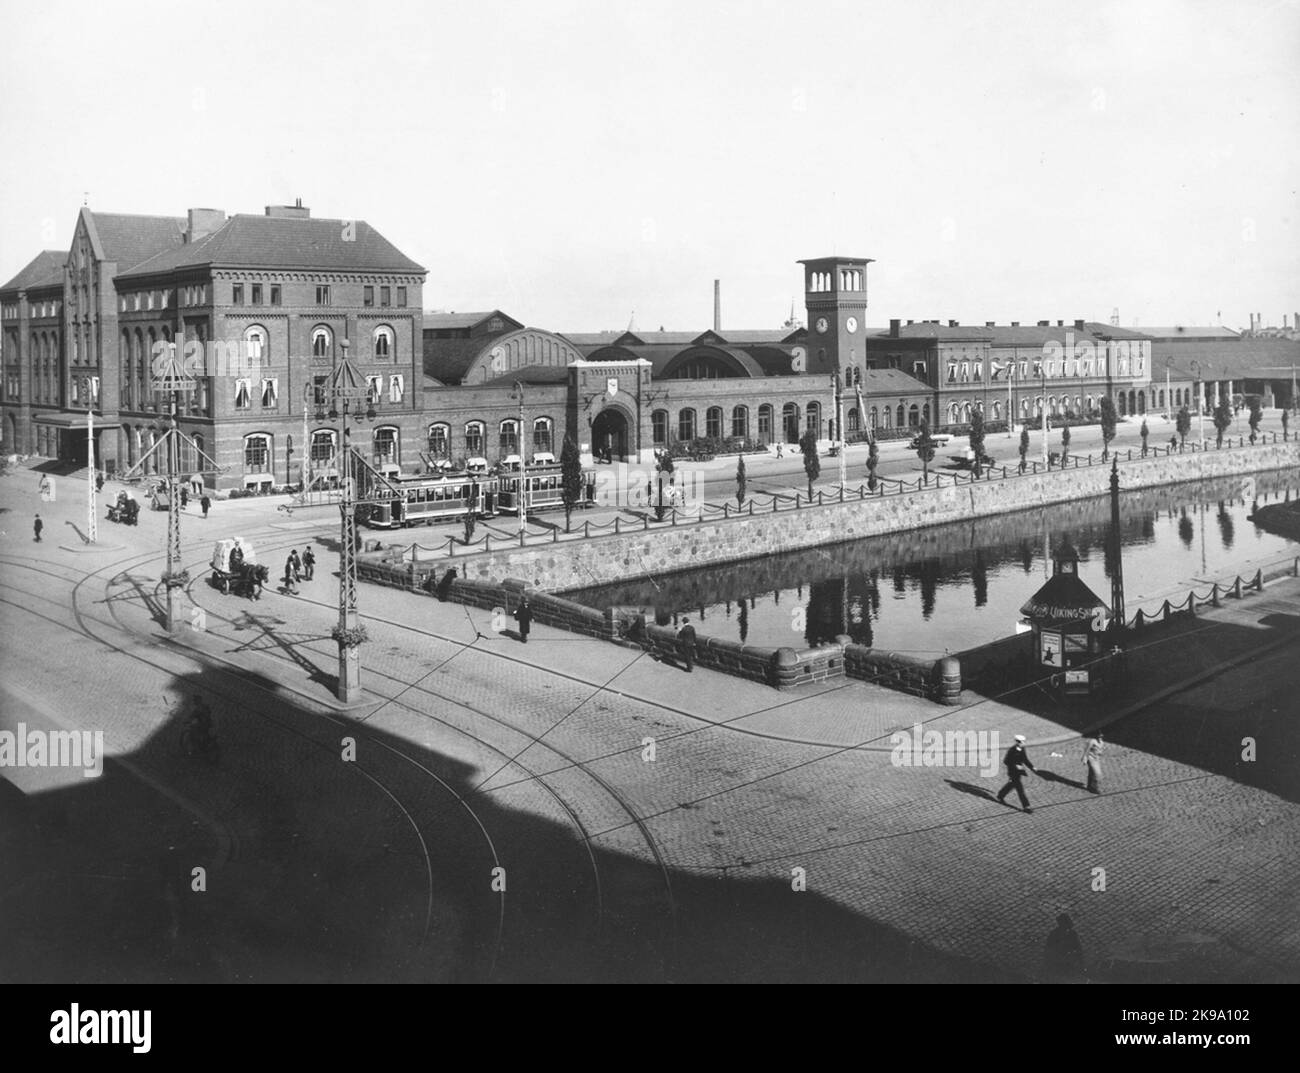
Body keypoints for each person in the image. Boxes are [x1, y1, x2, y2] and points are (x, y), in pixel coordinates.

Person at [996, 733, 1037, 812]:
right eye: (1022, 742)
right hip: (1013, 772)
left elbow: (1025, 759)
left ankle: (1000, 795)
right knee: (1020, 789)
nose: (1024, 743)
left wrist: (1032, 767)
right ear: (1018, 742)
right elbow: (1006, 761)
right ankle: (1026, 806)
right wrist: (1015, 766)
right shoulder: (1012, 750)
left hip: (1018, 772)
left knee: (1011, 785)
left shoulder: (1022, 749)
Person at [1042, 913, 1085, 983]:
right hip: (1059, 961)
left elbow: (1078, 949)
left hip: (1067, 961)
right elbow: (1048, 949)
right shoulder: (1055, 934)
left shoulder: (1072, 934)